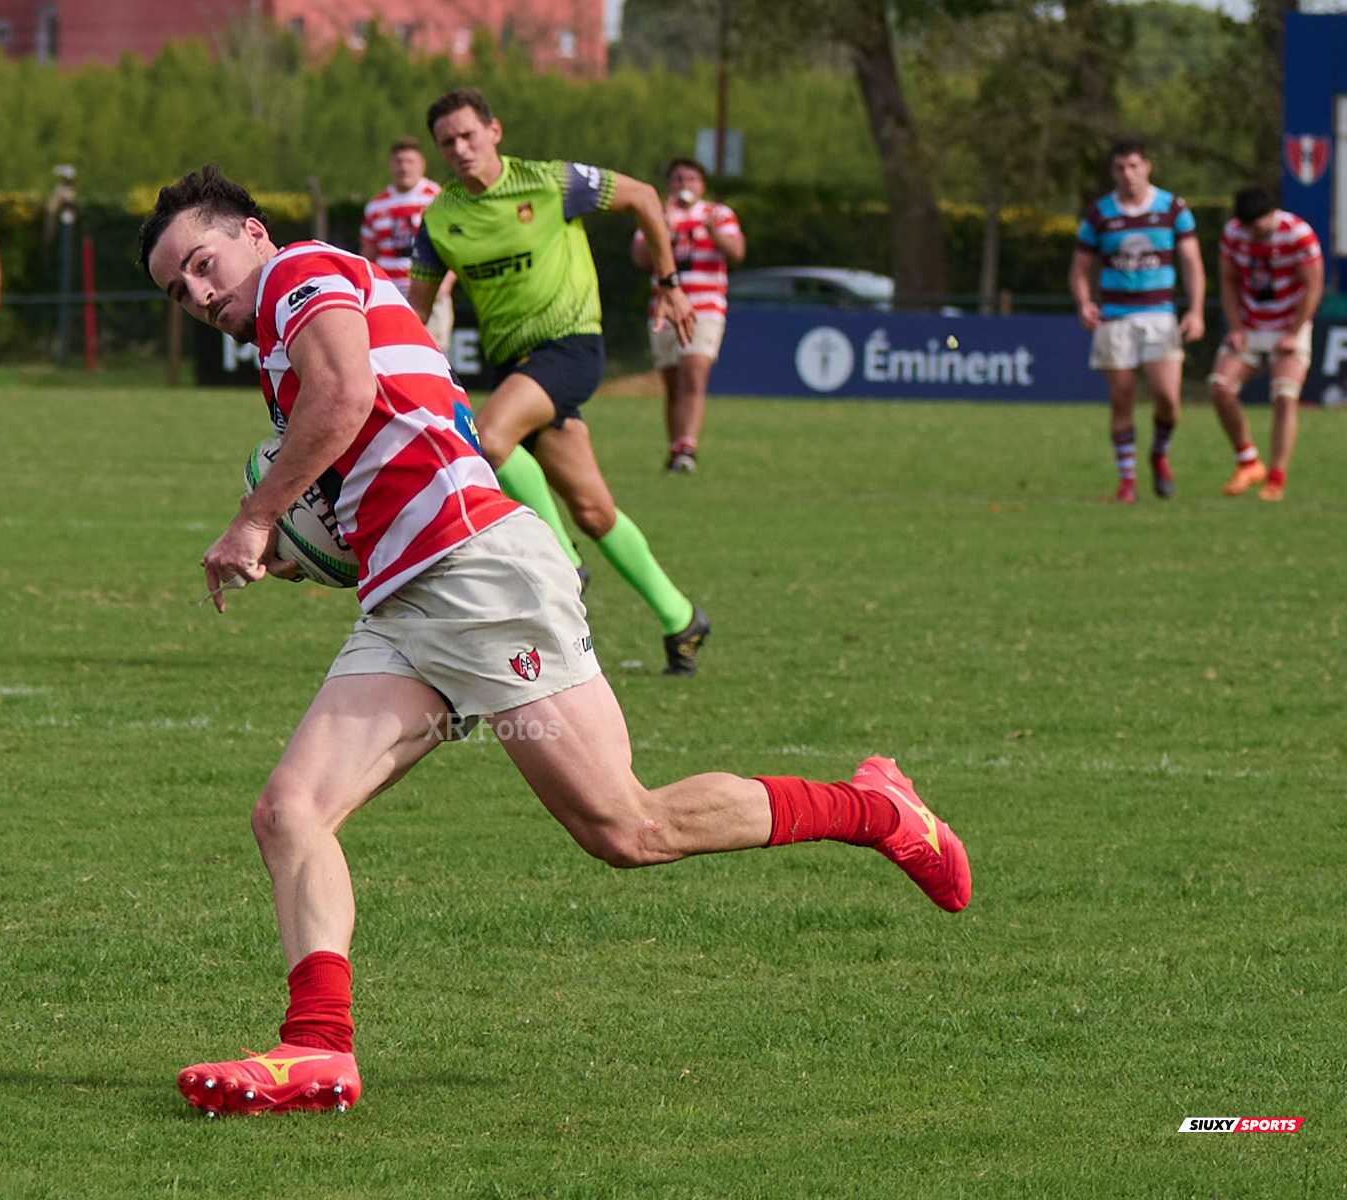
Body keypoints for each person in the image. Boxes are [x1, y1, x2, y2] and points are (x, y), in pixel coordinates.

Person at [137, 165, 971, 1118]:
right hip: (407, 600)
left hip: (477, 573)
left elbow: (345, 393)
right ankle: (317, 1050)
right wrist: (288, 547)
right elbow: (357, 459)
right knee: (290, 812)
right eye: (177, 290)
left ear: (251, 231)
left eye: (202, 264)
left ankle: (874, 810)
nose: (199, 295)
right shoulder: (281, 350)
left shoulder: (302, 275)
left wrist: (255, 515)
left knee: (625, 827)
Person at [406, 88, 711, 675]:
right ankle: (681, 619)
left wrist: (669, 282)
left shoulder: (552, 182)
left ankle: (564, 562)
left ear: (495, 131)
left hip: (570, 347)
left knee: (488, 438)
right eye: (448, 143)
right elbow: (415, 309)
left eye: (470, 135)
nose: (460, 149)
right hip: (516, 369)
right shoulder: (439, 220)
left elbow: (646, 197)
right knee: (595, 510)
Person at [1069, 139, 1205, 504]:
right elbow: (1080, 268)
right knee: (1122, 399)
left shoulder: (1172, 208)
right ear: (1112, 171)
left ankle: (1159, 452)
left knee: (1167, 399)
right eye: (1119, 168)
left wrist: (1195, 310)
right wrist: (1084, 303)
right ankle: (1127, 481)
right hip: (1114, 319)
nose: (1127, 174)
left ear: (1147, 165)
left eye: (1133, 166)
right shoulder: (1099, 214)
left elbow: (1192, 262)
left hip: (1159, 315)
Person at [1208, 185, 1323, 502]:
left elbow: (1313, 286)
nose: (1251, 234)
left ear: (1272, 215)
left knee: (1285, 397)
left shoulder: (1298, 233)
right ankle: (1248, 462)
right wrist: (1235, 327)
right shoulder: (1234, 233)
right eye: (1246, 227)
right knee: (1220, 388)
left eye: (1257, 227)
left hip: (1289, 324)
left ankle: (1276, 478)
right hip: (1251, 324)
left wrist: (1293, 331)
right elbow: (1229, 281)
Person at [629, 157, 745, 473]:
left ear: (702, 185)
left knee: (693, 375)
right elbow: (639, 257)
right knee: (671, 381)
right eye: (679, 179)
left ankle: (688, 447)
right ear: (670, 184)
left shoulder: (717, 214)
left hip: (704, 306)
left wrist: (712, 232)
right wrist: (661, 227)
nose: (685, 186)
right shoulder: (657, 214)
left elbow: (736, 252)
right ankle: (675, 446)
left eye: (692, 179)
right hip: (664, 308)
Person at [360, 136, 456, 353]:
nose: (404, 168)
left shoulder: (438, 198)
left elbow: (456, 246)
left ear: (422, 164)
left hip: (431, 289)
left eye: (410, 161)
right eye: (399, 161)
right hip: (390, 292)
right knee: (391, 354)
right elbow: (369, 254)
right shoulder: (376, 205)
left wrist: (446, 283)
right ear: (391, 165)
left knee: (434, 355)